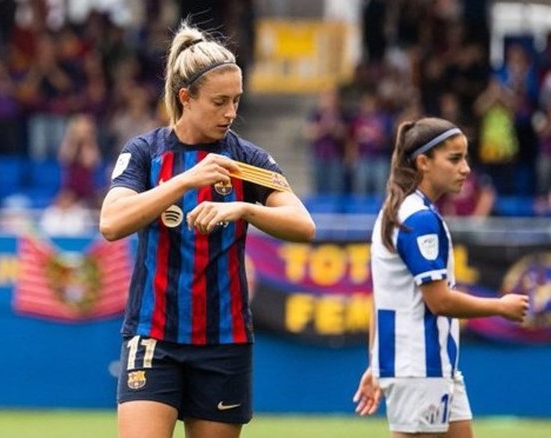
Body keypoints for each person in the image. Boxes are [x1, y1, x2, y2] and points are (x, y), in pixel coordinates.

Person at [99, 21, 315, 438]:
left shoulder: (248, 161)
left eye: (236, 100)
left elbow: (302, 224)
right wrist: (183, 182)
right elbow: (111, 223)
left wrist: (242, 209)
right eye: (219, 102)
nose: (231, 113)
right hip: (153, 335)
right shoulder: (145, 153)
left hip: (224, 341)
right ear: (186, 98)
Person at [352, 117, 529, 437]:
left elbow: (381, 298)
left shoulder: (401, 210)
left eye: (465, 158)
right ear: (423, 163)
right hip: (420, 367)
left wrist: (377, 363)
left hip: (430, 366)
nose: (466, 169)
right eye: (454, 158)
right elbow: (440, 301)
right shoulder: (418, 219)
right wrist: (500, 307)